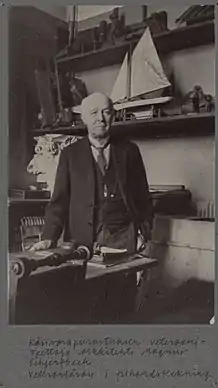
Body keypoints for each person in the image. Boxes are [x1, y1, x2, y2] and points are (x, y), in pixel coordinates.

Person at [31, 92, 153, 323]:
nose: (101, 118)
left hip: (122, 241)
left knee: (121, 308)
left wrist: (143, 232)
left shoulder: (130, 152)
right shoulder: (70, 155)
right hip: (80, 243)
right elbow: (59, 202)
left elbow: (144, 198)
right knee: (82, 308)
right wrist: (49, 238)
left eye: (106, 112)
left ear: (113, 116)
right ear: (84, 118)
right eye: (94, 113)